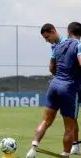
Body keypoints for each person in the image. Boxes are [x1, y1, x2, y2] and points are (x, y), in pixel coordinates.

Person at [26, 23, 81, 158]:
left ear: (68, 32)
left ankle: (33, 148)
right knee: (69, 126)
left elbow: (51, 68)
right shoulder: (78, 45)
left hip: (54, 85)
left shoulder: (57, 46)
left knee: (46, 121)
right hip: (69, 88)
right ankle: (65, 154)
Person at [67, 22, 81, 155]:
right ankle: (75, 145)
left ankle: (75, 145)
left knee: (72, 117)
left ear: (69, 32)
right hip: (75, 86)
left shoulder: (76, 46)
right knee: (72, 117)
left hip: (76, 87)